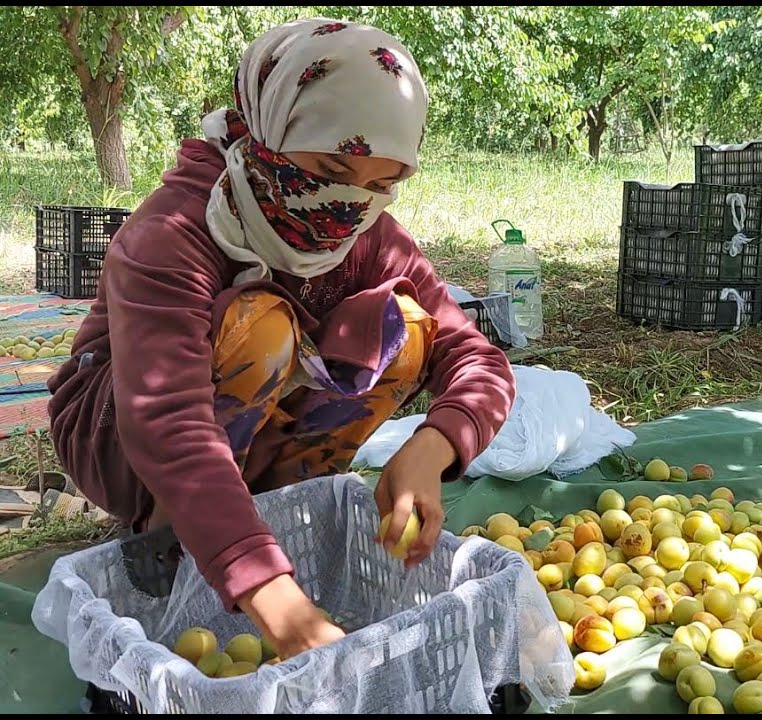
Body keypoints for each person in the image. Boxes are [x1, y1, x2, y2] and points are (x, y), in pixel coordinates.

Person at [45, 18, 515, 660]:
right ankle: (166, 533)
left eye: (379, 185)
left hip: (239, 417)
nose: (347, 205)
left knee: (404, 329)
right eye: (328, 167)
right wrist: (278, 605)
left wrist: (431, 448)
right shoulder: (174, 236)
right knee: (258, 331)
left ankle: (276, 507)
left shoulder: (369, 239)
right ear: (268, 132)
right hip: (122, 430)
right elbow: (169, 424)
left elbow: (476, 357)